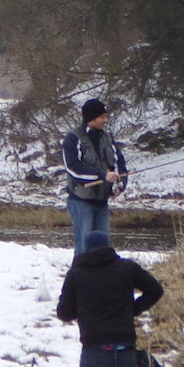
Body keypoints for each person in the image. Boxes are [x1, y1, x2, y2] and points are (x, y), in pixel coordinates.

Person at [56, 232, 169, 367]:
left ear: (86, 249)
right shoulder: (127, 267)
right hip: (126, 350)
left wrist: (85, 311)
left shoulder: (76, 273)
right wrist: (133, 309)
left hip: (95, 351)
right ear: (108, 246)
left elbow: (63, 313)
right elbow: (155, 289)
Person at [62, 98, 127, 256]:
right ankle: (79, 272)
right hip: (80, 201)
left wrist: (120, 186)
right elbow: (73, 168)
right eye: (102, 117)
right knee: (84, 250)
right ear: (92, 118)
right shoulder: (73, 138)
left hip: (102, 202)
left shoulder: (108, 138)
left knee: (103, 250)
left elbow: (120, 164)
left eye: (106, 116)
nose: (106, 120)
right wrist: (102, 175)